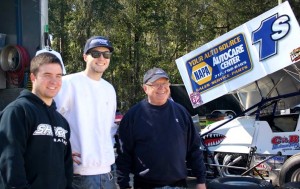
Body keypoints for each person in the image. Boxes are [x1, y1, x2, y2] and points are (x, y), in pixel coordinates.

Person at [116, 67, 207, 189]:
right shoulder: (132, 116)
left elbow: (194, 149)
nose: (161, 88)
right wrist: (124, 185)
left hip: (179, 184)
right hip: (145, 184)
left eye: (164, 83)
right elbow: (123, 155)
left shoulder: (181, 112)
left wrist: (201, 180)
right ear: (145, 88)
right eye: (156, 84)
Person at [0, 52, 73, 189]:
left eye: (58, 76)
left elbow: (67, 169)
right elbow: (10, 165)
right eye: (47, 75)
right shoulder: (18, 112)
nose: (54, 82)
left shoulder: (61, 122)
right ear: (33, 77)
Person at [54, 36, 118, 189]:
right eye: (96, 54)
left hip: (107, 171)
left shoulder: (109, 89)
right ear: (85, 57)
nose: (101, 58)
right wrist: (61, 153)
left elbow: (109, 128)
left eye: (106, 54)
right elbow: (51, 121)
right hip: (80, 174)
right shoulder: (69, 83)